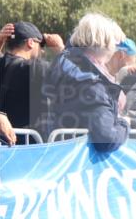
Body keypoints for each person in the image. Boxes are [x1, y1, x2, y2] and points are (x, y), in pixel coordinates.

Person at [39, 13, 129, 152]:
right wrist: (124, 123)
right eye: (115, 43)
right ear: (105, 43)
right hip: (77, 159)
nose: (116, 47)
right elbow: (106, 139)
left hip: (60, 154)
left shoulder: (64, 63)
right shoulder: (91, 83)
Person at [0, 21, 65, 143]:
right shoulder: (37, 68)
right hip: (29, 148)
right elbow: (73, 78)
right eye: (41, 45)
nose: (43, 51)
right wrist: (61, 49)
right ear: (30, 43)